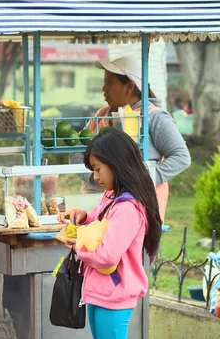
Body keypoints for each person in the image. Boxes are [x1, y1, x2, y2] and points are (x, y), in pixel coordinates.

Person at [58, 128, 162, 339]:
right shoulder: (111, 198)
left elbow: (105, 256)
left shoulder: (129, 208)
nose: (95, 175)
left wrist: (75, 246)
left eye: (99, 168)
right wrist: (81, 219)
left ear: (117, 165)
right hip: (102, 295)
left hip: (115, 297)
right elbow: (98, 228)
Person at [71, 57, 191, 222]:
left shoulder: (154, 117)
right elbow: (76, 152)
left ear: (129, 87)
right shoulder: (101, 115)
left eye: (110, 83)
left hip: (137, 209)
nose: (103, 88)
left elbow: (181, 157)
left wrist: (142, 179)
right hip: (95, 206)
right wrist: (94, 176)